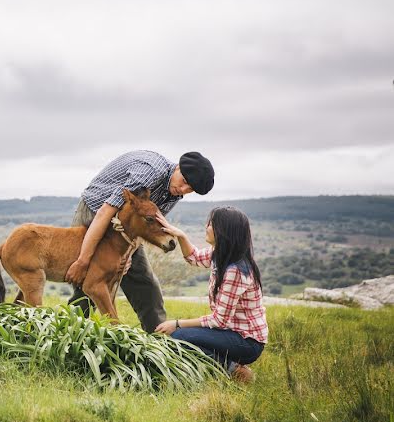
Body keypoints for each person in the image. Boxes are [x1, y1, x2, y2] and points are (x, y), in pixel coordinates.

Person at [65, 150, 214, 332]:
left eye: (189, 190)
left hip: (127, 227)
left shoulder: (174, 193)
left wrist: (127, 255)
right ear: (177, 168)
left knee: (146, 284)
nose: (183, 190)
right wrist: (83, 260)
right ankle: (70, 336)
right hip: (95, 214)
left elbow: (145, 227)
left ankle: (158, 341)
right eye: (184, 182)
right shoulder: (149, 172)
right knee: (90, 281)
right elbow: (106, 211)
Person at [155, 207, 268, 383]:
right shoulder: (220, 255)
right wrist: (181, 236)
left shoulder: (235, 270)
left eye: (212, 224)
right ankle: (226, 365)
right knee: (181, 337)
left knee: (179, 337)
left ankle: (234, 370)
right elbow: (193, 257)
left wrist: (177, 324)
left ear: (224, 231)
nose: (206, 227)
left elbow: (219, 321)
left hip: (247, 342)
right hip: (230, 332)